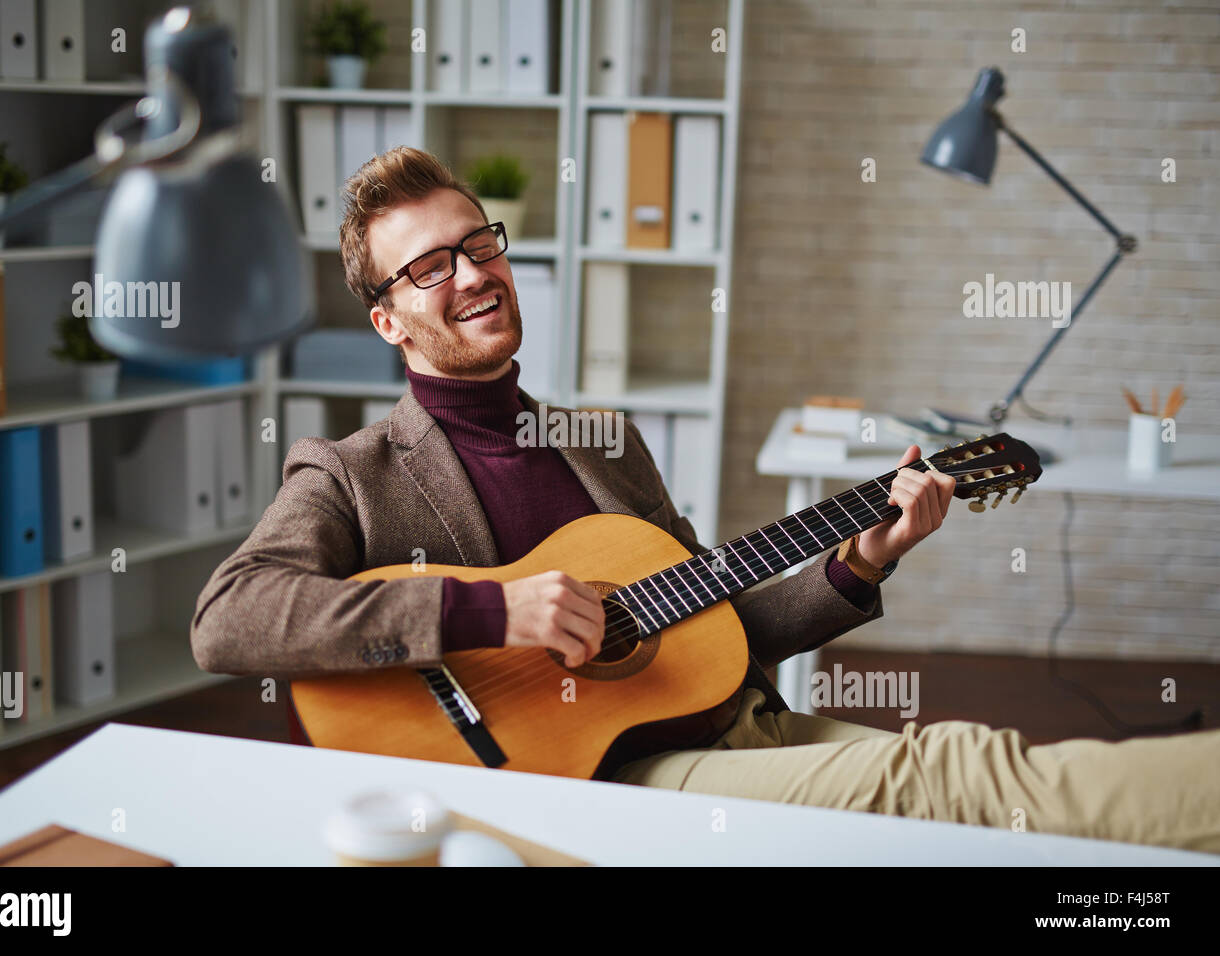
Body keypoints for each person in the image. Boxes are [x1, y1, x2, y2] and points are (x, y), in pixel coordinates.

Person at [191, 147, 1220, 855]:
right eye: (428, 266)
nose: (471, 272)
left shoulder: (603, 442)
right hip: (603, 783)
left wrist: (858, 561)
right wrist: (491, 609)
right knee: (956, 773)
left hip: (738, 726)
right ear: (389, 321)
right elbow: (228, 619)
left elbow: (711, 632)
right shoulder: (351, 470)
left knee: (981, 798)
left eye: (480, 242)